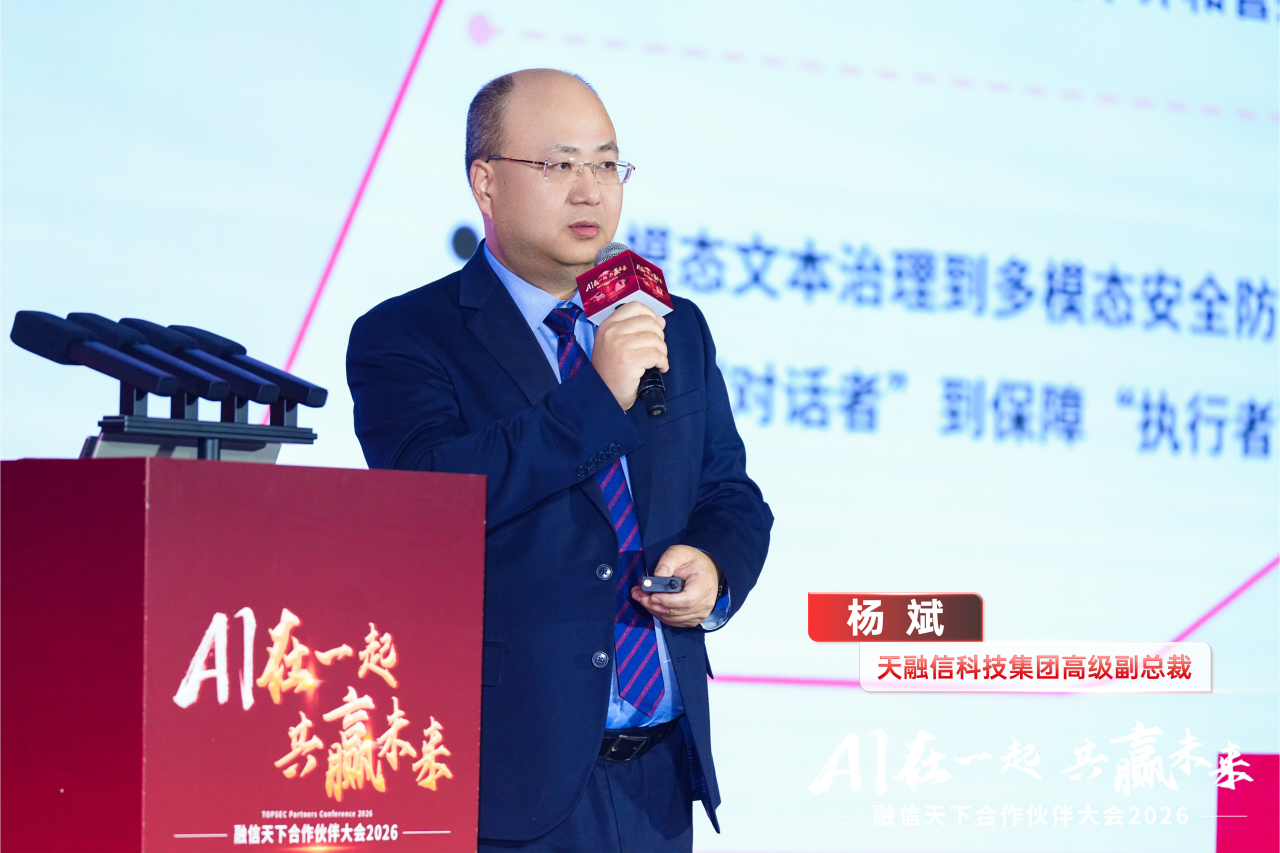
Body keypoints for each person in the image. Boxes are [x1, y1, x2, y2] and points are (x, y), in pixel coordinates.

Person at [347, 68, 771, 852]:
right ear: (485, 181)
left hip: (658, 777)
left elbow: (730, 491)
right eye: (559, 164)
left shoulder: (670, 325)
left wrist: (714, 567)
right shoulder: (405, 336)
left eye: (607, 164)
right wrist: (595, 398)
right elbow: (431, 501)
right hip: (507, 780)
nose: (590, 190)